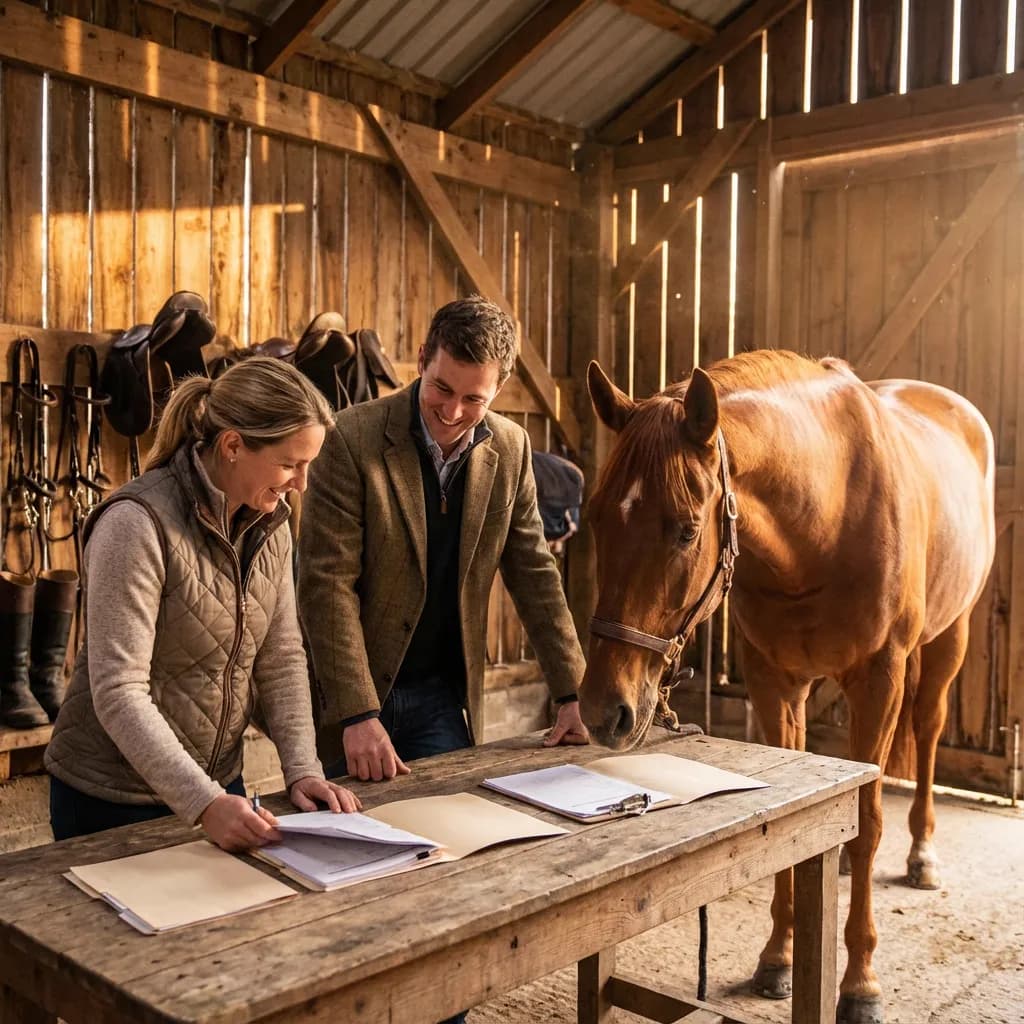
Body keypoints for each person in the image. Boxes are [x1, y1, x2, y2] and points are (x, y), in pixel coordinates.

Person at [45, 357, 360, 852]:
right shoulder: (135, 524)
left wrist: (303, 769)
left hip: (220, 789)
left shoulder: (269, 524)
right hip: (110, 800)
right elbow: (118, 690)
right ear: (233, 445)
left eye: (307, 466)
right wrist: (204, 803)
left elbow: (280, 658)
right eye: (289, 464)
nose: (301, 484)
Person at [297, 295, 589, 785]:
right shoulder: (349, 439)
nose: (452, 412)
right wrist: (356, 714)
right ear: (422, 358)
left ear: (499, 389)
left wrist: (571, 693)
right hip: (351, 701)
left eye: (474, 399)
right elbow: (327, 584)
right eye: (442, 388)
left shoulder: (512, 448)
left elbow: (536, 574)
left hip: (441, 698)